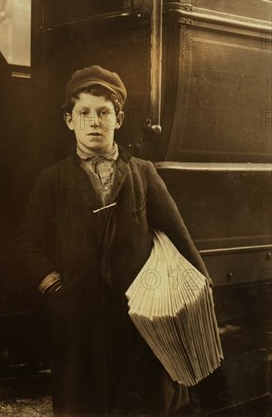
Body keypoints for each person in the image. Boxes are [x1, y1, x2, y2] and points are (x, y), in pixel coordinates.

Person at [18, 65, 213, 417]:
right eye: (84, 113)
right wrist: (53, 285)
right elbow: (28, 242)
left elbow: (177, 234)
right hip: (79, 320)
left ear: (118, 119)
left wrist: (199, 291)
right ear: (69, 120)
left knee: (140, 401)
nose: (94, 122)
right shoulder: (52, 180)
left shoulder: (142, 173)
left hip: (136, 317)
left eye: (104, 112)